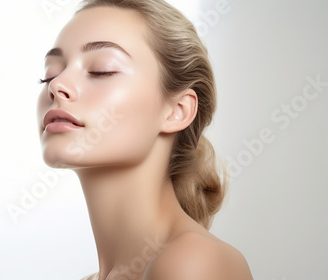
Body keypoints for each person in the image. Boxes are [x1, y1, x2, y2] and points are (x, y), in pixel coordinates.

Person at [36, 0, 254, 279]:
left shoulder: (193, 263)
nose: (57, 85)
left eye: (102, 69)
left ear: (177, 111)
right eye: (49, 74)